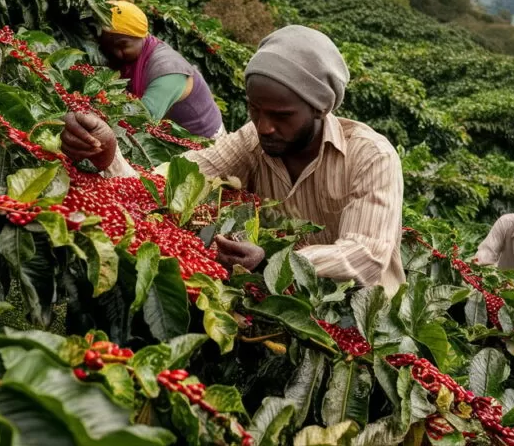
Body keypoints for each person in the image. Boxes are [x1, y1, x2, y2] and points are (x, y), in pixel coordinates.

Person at [62, 25, 406, 295]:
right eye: (255, 110)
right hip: (273, 296)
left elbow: (365, 257)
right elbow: (174, 182)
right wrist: (107, 154)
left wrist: (272, 261)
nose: (265, 126)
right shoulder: (252, 140)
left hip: (359, 319)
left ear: (321, 108)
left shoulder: (371, 156)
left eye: (281, 115)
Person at [99, 0, 224, 139]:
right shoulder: (137, 54)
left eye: (123, 45)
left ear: (141, 36)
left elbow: (141, 119)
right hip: (172, 134)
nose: (116, 53)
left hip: (206, 139)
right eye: (109, 46)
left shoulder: (167, 70)